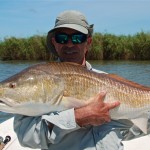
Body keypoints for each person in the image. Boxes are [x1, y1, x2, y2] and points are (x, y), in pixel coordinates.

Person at [14, 10, 147, 150]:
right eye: (62, 38)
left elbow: (125, 130)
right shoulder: (38, 81)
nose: (70, 44)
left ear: (88, 42)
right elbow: (27, 137)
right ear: (54, 42)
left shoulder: (107, 80)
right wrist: (76, 118)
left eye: (77, 38)